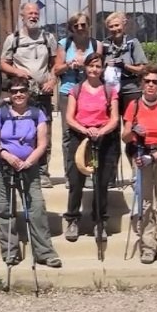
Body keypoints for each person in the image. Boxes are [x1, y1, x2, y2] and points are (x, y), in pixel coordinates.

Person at [0, 75, 63, 268]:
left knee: (36, 207)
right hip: (1, 165)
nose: (18, 94)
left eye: (22, 90)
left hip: (29, 166)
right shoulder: (1, 113)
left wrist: (29, 161)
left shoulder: (38, 113)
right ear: (9, 94)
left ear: (28, 93)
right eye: (14, 91)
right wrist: (6, 155)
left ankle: (44, 252)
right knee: (3, 208)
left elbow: (42, 143)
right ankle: (10, 251)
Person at [122, 66, 157, 265]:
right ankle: (148, 247)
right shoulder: (134, 106)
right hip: (141, 154)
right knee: (145, 204)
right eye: (147, 81)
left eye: (155, 82)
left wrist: (155, 157)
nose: (151, 85)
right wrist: (133, 131)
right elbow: (125, 135)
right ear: (142, 84)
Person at [0, 2, 59, 190]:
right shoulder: (13, 39)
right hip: (22, 93)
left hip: (42, 93)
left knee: (45, 131)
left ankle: (42, 171)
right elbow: (3, 64)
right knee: (22, 132)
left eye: (36, 13)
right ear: (22, 16)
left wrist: (52, 81)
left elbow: (56, 64)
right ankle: (20, 166)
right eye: (29, 13)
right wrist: (17, 72)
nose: (33, 16)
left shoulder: (48, 37)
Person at [61, 53, 120, 242]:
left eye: (98, 66)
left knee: (101, 183)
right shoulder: (75, 90)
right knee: (76, 182)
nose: (94, 69)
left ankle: (99, 221)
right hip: (80, 137)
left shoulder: (110, 91)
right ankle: (72, 219)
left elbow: (115, 118)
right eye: (91, 66)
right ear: (85, 67)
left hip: (104, 139)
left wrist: (100, 131)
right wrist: (86, 130)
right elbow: (69, 118)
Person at [52, 11, 101, 186]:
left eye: (83, 25)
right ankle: (70, 174)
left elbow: (99, 67)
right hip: (68, 91)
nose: (80, 28)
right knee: (68, 134)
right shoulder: (64, 44)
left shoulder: (96, 45)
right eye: (76, 25)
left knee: (90, 132)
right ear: (71, 28)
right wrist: (69, 65)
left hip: (90, 93)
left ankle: (88, 171)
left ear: (88, 26)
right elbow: (56, 69)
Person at [99, 12, 149, 119]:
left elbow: (142, 69)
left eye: (117, 25)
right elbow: (97, 67)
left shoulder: (133, 43)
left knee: (131, 124)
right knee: (111, 124)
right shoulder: (104, 44)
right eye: (111, 26)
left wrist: (125, 66)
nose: (114, 29)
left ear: (124, 25)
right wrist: (106, 65)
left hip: (131, 89)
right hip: (110, 90)